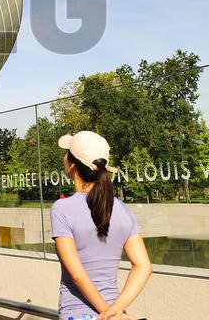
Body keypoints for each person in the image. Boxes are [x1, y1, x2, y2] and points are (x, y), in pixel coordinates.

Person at [51, 131, 152, 320]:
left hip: (78, 313)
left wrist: (107, 314)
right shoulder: (122, 210)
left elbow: (77, 275)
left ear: (72, 165)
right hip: (115, 313)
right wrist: (117, 309)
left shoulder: (62, 209)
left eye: (66, 153)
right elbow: (144, 266)